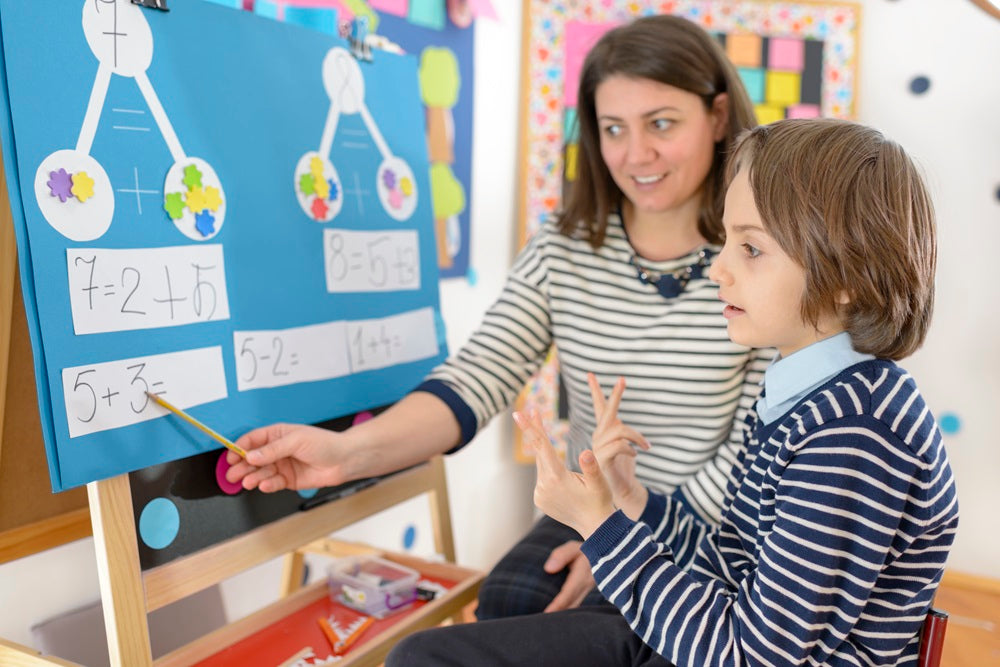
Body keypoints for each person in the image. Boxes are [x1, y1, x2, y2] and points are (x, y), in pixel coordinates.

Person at [226, 14, 771, 620]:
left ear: (718, 116)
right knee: (512, 608)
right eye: (613, 128)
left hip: (717, 524)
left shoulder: (760, 254)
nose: (635, 154)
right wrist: (347, 453)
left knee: (615, 636)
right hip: (594, 507)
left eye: (662, 124)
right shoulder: (564, 250)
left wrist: (627, 540)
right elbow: (478, 375)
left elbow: (758, 445)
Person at [385, 118, 960, 666]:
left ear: (847, 278)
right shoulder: (810, 394)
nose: (718, 270)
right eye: (728, 242)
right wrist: (632, 502)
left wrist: (600, 529)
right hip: (713, 641)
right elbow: (728, 563)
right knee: (425, 654)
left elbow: (753, 654)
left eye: (751, 249)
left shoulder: (854, 433)